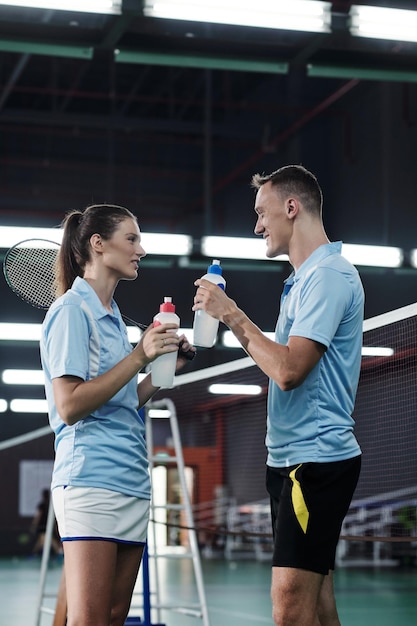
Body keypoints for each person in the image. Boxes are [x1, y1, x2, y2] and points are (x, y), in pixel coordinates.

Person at [192, 165, 363, 626]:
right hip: (288, 461)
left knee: (289, 605)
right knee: (317, 603)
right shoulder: (299, 283)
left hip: (316, 460)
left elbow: (288, 371)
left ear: (292, 207)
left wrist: (231, 315)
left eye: (261, 213)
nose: (257, 226)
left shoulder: (328, 276)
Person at [40, 203, 195, 626]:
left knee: (112, 616)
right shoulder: (71, 311)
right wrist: (139, 355)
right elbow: (70, 405)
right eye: (131, 239)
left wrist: (162, 372)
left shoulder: (112, 321)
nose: (140, 250)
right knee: (88, 619)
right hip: (90, 481)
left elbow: (124, 399)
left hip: (131, 480)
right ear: (97, 244)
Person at [30, 488, 62, 557]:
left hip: (44, 526)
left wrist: (34, 524)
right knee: (42, 540)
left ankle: (59, 553)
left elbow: (38, 516)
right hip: (47, 526)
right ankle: (34, 554)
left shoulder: (44, 505)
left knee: (47, 539)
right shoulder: (48, 505)